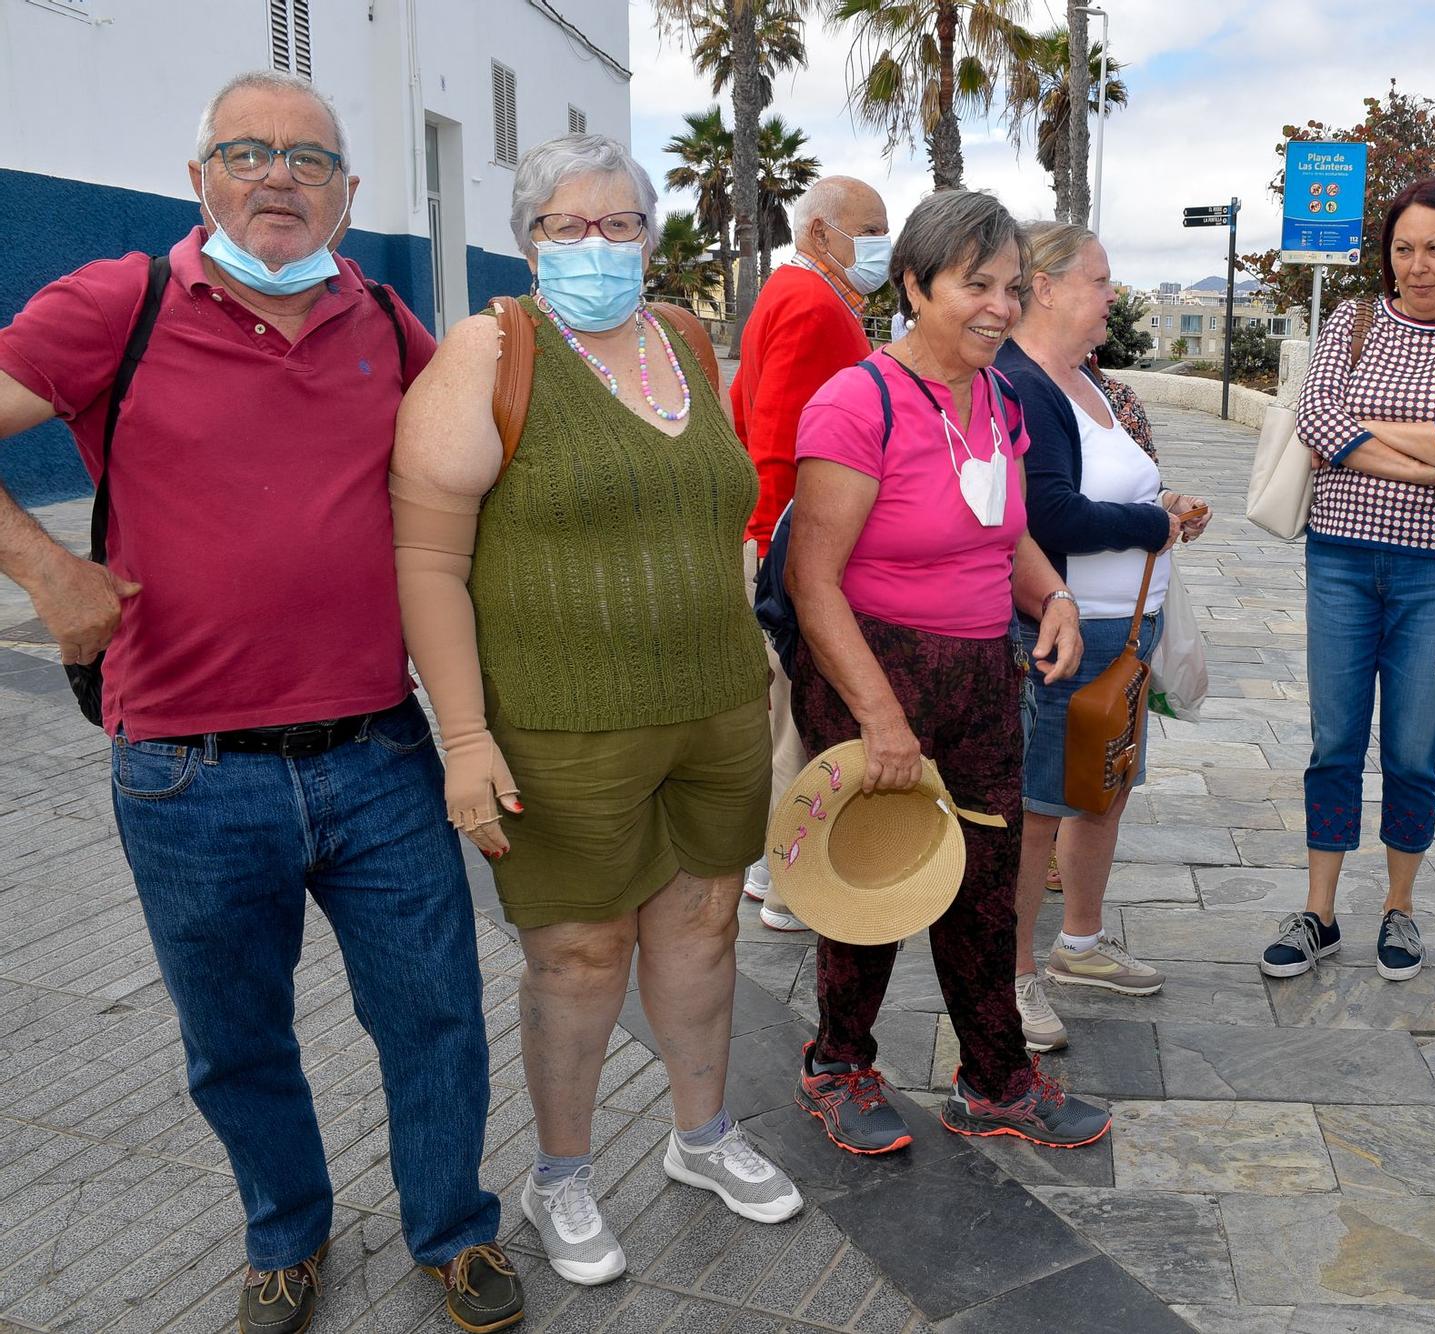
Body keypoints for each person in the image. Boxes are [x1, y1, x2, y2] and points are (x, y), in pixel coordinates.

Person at [0, 71, 522, 1334]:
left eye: (308, 159)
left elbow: (474, 485)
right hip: (187, 769)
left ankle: (451, 1228)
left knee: (437, 1012)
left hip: (381, 754)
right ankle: (284, 1232)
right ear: (199, 180)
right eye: (246, 150)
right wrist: (46, 567)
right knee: (235, 1039)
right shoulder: (113, 304)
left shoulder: (387, 324)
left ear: (347, 195)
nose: (277, 175)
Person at [391, 133, 803, 1288]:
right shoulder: (490, 350)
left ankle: (702, 1134)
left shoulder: (682, 336)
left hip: (716, 706)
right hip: (563, 724)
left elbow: (712, 503)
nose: (597, 245)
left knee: (705, 926)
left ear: (649, 235)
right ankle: (561, 1173)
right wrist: (464, 740)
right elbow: (425, 559)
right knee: (576, 954)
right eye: (567, 226)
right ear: (527, 239)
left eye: (619, 223)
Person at [785, 189, 1112, 1153]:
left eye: (1012, 288)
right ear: (916, 284)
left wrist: (1050, 596)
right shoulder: (858, 401)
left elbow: (1002, 534)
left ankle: (997, 1078)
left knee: (987, 876)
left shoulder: (1002, 398)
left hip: (980, 673)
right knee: (874, 880)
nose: (1000, 308)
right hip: (871, 669)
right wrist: (880, 719)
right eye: (977, 285)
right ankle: (838, 1065)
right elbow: (812, 581)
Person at [1261, 175, 1435, 985]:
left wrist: (1361, 438)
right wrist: (1426, 457)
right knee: (1334, 739)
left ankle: (1399, 910)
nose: (1418, 265)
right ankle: (1321, 911)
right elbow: (1314, 420)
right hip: (1340, 557)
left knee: (1413, 748)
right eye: (1404, 248)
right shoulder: (1353, 320)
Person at [996, 221, 1210, 1052]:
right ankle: (1013, 976)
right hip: (1067, 632)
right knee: (1042, 806)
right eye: (1100, 280)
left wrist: (1168, 508)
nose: (1112, 295)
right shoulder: (1024, 382)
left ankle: (1079, 943)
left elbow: (1116, 488)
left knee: (1103, 787)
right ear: (1043, 287)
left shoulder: (1087, 380)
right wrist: (1150, 521)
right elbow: (1046, 514)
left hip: (1127, 628)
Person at [734, 175, 892, 932]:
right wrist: (779, 551)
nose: (883, 242)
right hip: (790, 539)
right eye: (873, 227)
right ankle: (785, 875)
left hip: (780, 536)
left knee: (784, 714)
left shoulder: (797, 293)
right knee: (798, 717)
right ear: (822, 232)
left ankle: (773, 867)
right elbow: (775, 437)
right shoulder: (809, 302)